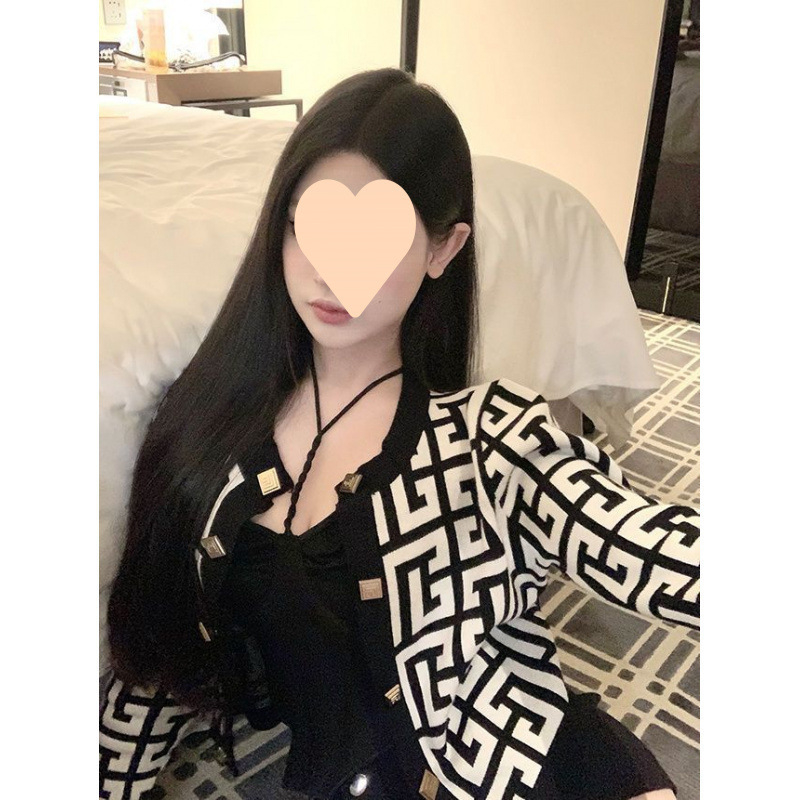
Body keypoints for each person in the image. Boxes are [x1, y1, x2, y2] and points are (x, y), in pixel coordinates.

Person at [100, 67, 699, 800]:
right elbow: (156, 658)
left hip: (528, 762)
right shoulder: (209, 424)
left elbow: (648, 548)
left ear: (443, 250)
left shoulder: (490, 435)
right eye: (310, 227)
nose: (331, 273)